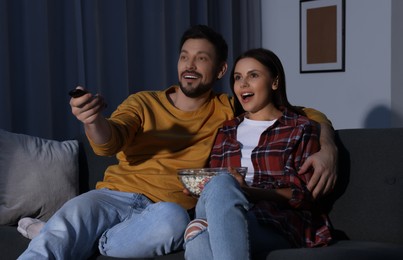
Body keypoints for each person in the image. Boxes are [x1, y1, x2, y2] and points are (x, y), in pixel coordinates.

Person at [18, 25, 336, 259]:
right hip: (114, 197)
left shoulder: (229, 109)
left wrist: (328, 147)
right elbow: (109, 141)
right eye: (185, 57)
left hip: (164, 211)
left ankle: (90, 242)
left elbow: (298, 113)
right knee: (70, 222)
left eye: (201, 59)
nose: (190, 65)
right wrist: (92, 121)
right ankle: (56, 236)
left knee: (176, 221)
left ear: (220, 69)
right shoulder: (143, 103)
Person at [183, 48, 333, 260]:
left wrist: (248, 191)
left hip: (274, 220)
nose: (243, 84)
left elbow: (303, 196)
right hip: (225, 210)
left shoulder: (299, 128)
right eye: (237, 78)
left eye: (253, 75)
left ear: (274, 82)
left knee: (197, 232)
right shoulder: (226, 130)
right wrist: (202, 187)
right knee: (219, 188)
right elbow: (217, 182)